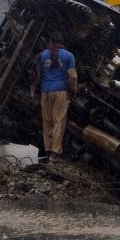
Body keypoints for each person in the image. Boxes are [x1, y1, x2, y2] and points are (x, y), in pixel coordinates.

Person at [31, 32, 77, 163]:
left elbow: (36, 76)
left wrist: (34, 93)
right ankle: (56, 154)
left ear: (50, 42)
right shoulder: (69, 55)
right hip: (60, 92)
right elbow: (73, 77)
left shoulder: (42, 55)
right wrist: (73, 92)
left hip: (45, 92)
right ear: (62, 42)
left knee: (47, 122)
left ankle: (49, 151)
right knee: (59, 121)